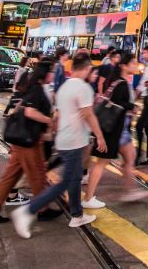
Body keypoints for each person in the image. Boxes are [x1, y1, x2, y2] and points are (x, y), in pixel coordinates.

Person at [11, 54, 106, 237]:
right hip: (74, 141)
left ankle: (77, 215)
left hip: (64, 139)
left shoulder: (65, 86)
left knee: (75, 178)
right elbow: (89, 114)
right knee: (67, 182)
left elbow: (58, 115)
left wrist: (54, 133)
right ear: (86, 69)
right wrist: (100, 137)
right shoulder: (83, 88)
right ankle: (28, 210)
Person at [0, 61, 63, 223]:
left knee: (10, 178)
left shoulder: (32, 87)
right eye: (52, 72)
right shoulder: (36, 90)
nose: (53, 75)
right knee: (37, 176)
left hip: (23, 141)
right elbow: (29, 112)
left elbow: (19, 107)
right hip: (29, 142)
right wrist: (48, 120)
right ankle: (42, 209)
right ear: (44, 73)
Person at [84, 52, 146, 207]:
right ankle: (88, 198)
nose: (135, 65)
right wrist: (132, 106)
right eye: (132, 62)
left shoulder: (118, 81)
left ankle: (130, 191)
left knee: (128, 159)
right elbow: (118, 102)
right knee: (102, 163)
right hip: (116, 128)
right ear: (124, 66)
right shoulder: (122, 83)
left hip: (119, 127)